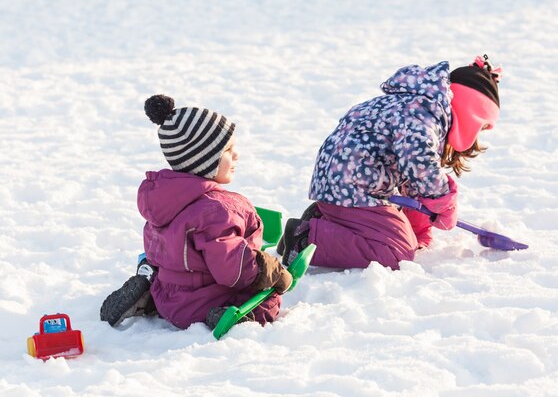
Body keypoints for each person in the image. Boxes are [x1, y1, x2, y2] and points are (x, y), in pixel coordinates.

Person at [278, 55, 502, 270]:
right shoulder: (424, 115)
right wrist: (443, 200)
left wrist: (418, 228)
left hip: (340, 183)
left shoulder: (409, 104)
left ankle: (326, 220)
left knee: (403, 239)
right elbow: (420, 162)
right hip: (355, 188)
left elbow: (410, 177)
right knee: (395, 252)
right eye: (481, 127)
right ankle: (305, 240)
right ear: (471, 113)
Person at [101, 94, 292, 330]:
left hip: (167, 294)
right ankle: (227, 317)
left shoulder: (165, 200)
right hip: (201, 303)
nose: (236, 155)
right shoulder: (216, 211)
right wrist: (269, 271)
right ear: (204, 159)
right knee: (269, 300)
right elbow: (233, 269)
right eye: (228, 150)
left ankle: (149, 297)